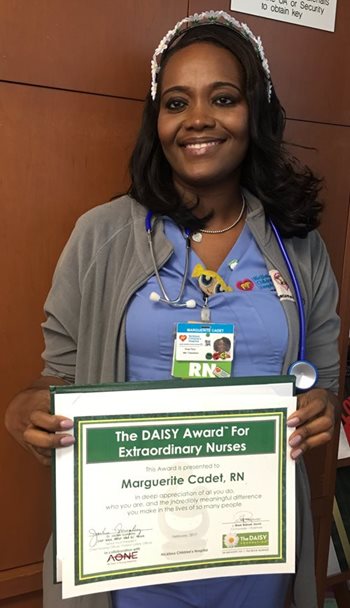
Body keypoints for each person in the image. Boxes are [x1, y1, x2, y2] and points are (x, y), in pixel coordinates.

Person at [5, 10, 340, 608]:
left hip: (252, 555)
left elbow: (322, 382)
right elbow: (57, 375)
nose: (199, 121)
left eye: (224, 98)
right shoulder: (102, 235)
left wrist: (321, 406)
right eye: (176, 102)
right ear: (156, 119)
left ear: (255, 111)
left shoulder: (299, 246)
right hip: (127, 559)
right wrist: (28, 407)